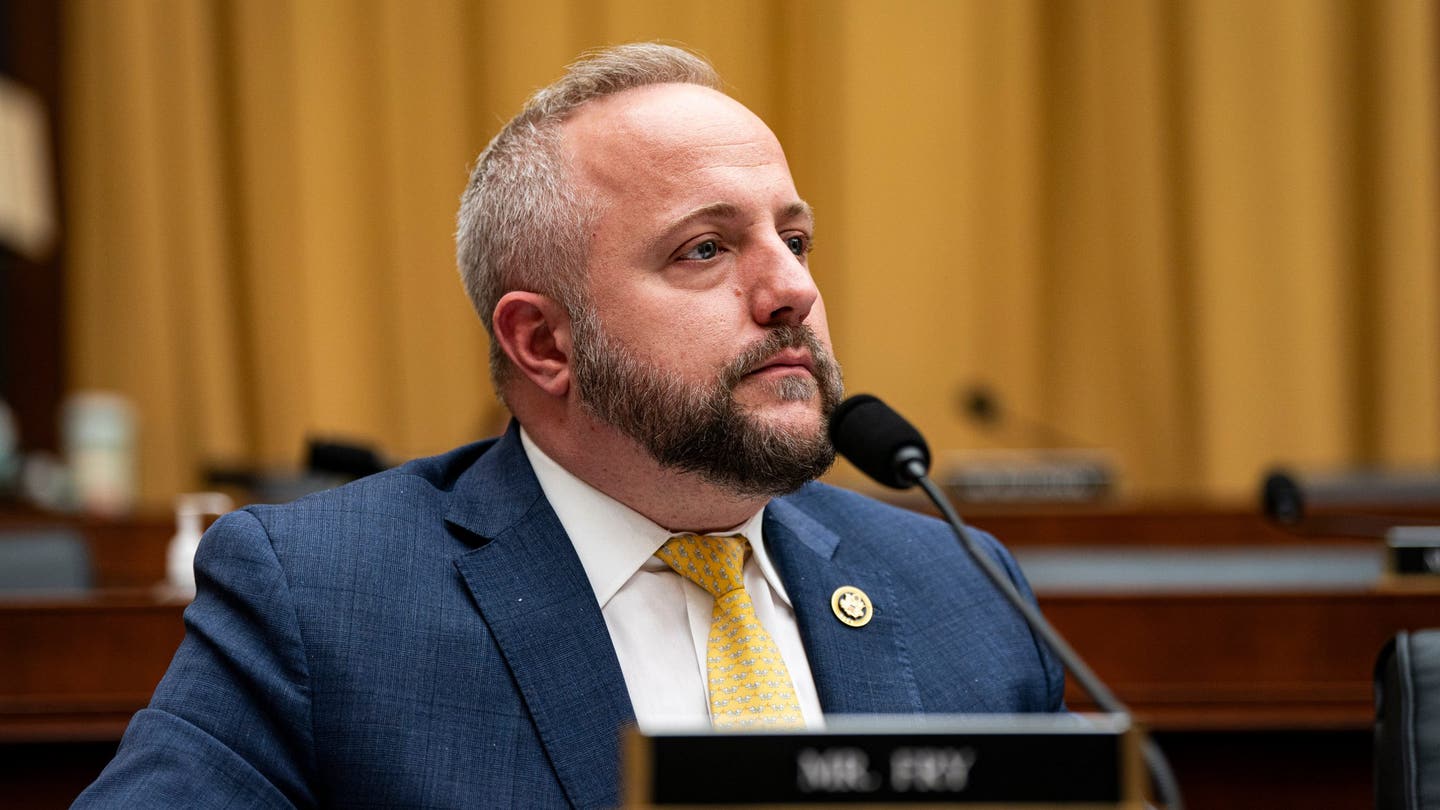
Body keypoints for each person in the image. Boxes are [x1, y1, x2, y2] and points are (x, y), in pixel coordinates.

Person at [75, 43, 1062, 808]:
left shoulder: (963, 592)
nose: (792, 291)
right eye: (705, 249)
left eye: (794, 239)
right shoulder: (325, 601)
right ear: (544, 343)